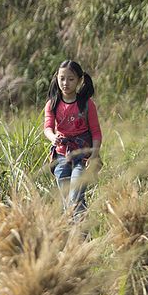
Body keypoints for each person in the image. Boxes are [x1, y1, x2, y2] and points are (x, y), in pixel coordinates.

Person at [42, 60, 102, 218]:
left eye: (70, 79)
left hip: (83, 156)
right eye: (62, 78)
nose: (65, 83)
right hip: (61, 156)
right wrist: (53, 137)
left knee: (75, 196)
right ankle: (79, 237)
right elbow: (47, 127)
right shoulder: (52, 104)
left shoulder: (87, 104)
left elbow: (96, 132)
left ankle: (80, 236)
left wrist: (94, 156)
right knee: (67, 200)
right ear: (57, 78)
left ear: (79, 80)